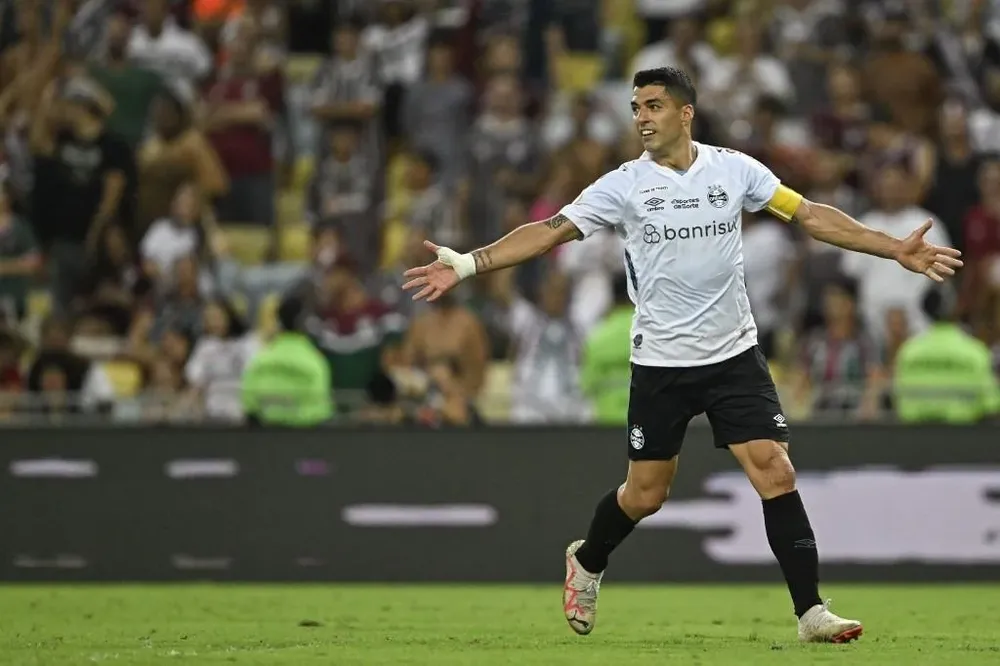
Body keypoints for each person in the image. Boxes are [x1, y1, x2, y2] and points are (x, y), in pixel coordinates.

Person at [402, 67, 964, 643]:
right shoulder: (622, 185)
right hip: (662, 362)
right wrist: (468, 263)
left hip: (733, 355)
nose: (641, 117)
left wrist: (894, 248)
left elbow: (812, 216)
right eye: (636, 107)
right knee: (646, 494)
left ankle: (811, 613)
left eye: (652, 106)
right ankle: (589, 561)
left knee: (774, 469)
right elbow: (547, 231)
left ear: (685, 112)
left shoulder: (735, 169)